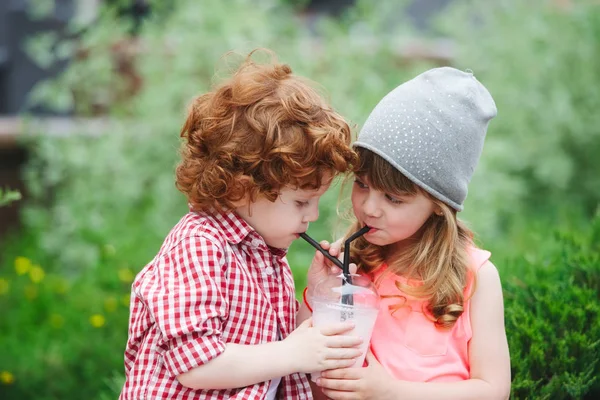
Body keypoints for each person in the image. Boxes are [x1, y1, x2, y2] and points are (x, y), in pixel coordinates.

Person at [119, 49, 364, 400]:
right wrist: (292, 352)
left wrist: (317, 295)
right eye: (301, 202)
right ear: (241, 187)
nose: (312, 216)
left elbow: (280, 351)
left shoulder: (266, 256)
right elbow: (194, 365)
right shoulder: (199, 244)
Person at [300, 67, 511, 399]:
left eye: (393, 198)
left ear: (438, 204)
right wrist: (319, 296)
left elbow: (493, 390)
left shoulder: (476, 278)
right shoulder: (351, 263)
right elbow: (308, 379)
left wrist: (390, 392)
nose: (370, 207)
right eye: (361, 184)